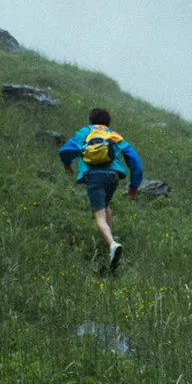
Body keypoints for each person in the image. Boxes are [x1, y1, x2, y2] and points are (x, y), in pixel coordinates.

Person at [59, 107, 143, 270]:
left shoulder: (84, 132)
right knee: (105, 205)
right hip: (113, 176)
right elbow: (135, 161)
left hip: (94, 176)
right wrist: (134, 186)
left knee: (99, 216)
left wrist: (67, 164)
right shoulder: (114, 135)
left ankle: (112, 244)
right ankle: (110, 241)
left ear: (91, 120)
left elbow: (65, 150)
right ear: (107, 122)